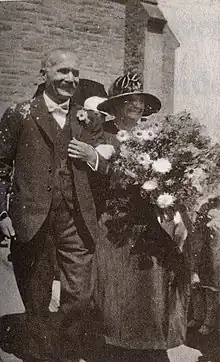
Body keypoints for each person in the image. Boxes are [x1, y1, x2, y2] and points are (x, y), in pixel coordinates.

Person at [68, 72, 192, 362]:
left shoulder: (154, 138)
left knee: (149, 285)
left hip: (148, 222)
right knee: (117, 287)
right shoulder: (103, 133)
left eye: (139, 101)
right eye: (129, 101)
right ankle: (115, 345)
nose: (136, 106)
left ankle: (147, 344)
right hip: (115, 221)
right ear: (116, 105)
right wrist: (96, 158)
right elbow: (96, 170)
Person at [0, 48, 106, 362]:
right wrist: (2, 211)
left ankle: (66, 352)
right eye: (62, 71)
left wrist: (93, 156)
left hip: (76, 221)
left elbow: (109, 166)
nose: (70, 79)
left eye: (75, 72)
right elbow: (1, 165)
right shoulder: (19, 113)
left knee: (78, 296)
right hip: (31, 218)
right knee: (36, 295)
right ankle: (39, 355)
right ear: (44, 73)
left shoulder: (88, 119)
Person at [188, 197, 220, 336]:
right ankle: (198, 316)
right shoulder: (204, 204)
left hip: (215, 251)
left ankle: (209, 321)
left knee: (212, 287)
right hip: (200, 249)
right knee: (197, 284)